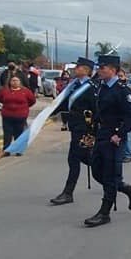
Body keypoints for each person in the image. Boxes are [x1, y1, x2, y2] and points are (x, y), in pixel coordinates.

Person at [83, 54, 131, 228]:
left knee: (109, 175)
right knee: (96, 171)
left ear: (113, 70)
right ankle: (128, 190)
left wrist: (120, 134)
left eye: (103, 67)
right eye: (99, 67)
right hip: (101, 135)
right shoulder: (101, 87)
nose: (99, 70)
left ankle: (104, 212)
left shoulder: (122, 91)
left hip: (114, 138)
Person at [49, 57, 99, 206]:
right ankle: (117, 183)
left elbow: (96, 111)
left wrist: (93, 132)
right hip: (75, 127)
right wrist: (48, 113)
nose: (75, 68)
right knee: (79, 159)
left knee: (78, 159)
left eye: (78, 66)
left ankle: (68, 193)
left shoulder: (91, 88)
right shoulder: (74, 85)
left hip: (85, 130)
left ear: (86, 70)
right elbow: (64, 103)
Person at [0, 73, 35, 151]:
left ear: (20, 82)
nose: (15, 82)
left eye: (16, 80)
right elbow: (0, 99)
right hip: (7, 115)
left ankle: (19, 149)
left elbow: (32, 101)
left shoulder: (25, 91)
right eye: (13, 80)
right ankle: (7, 149)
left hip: (20, 115)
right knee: (7, 133)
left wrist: (24, 108)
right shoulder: (5, 91)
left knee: (19, 133)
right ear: (10, 82)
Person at [119, 68, 131, 163]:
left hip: (127, 115)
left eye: (121, 76)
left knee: (127, 134)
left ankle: (128, 154)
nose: (119, 78)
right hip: (118, 115)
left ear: (125, 76)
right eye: (118, 76)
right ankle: (121, 153)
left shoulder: (129, 86)